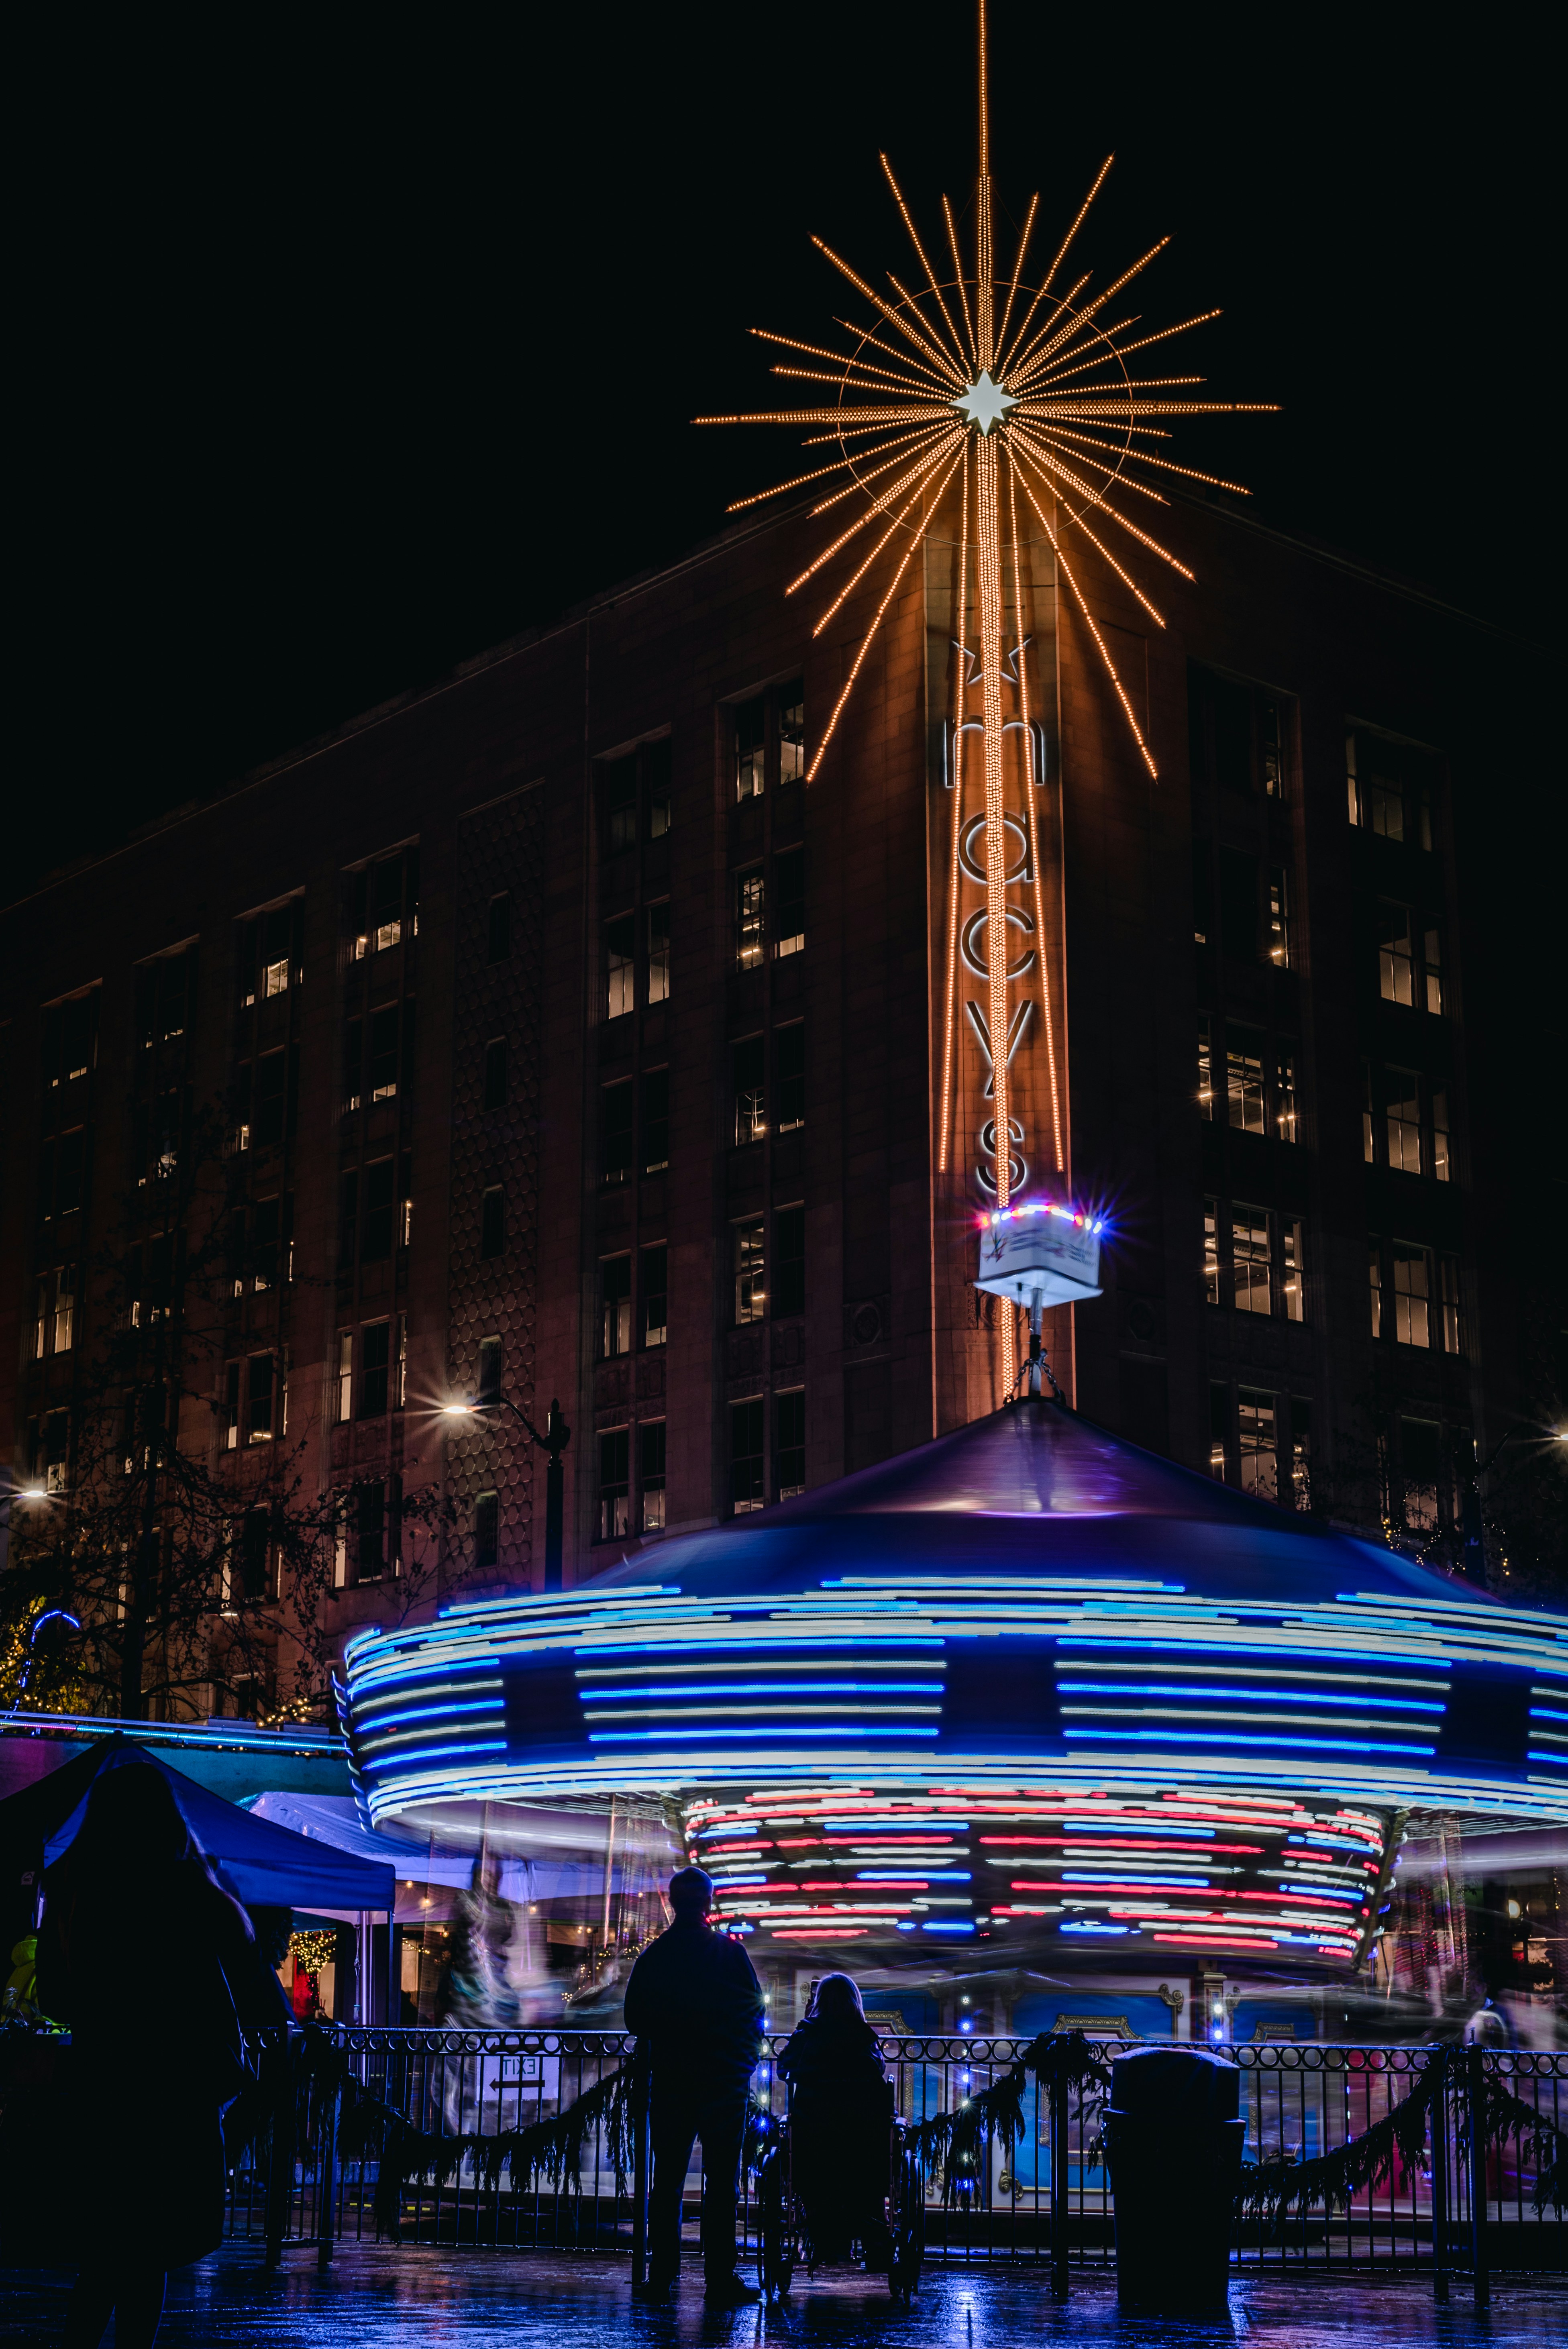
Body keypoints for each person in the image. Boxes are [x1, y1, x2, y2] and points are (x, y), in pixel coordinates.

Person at [33, 1760, 269, 2349]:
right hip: (176, 2088)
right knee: (152, 2246)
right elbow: (240, 1951)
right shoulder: (188, 1886)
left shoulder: (73, 1885)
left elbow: (57, 1993)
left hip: (105, 2080)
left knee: (109, 2245)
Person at [622, 1865, 764, 2306]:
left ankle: (663, 2275)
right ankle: (719, 2277)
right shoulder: (730, 1954)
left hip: (672, 2083)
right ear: (708, 1903)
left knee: (667, 2182)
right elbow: (752, 2012)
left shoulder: (655, 1957)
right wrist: (741, 2064)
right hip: (722, 2084)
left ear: (671, 1901)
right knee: (722, 2184)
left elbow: (634, 2019)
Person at [777, 1973, 895, 2269]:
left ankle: (825, 2239)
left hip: (814, 2141)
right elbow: (876, 2072)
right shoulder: (862, 2035)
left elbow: (784, 2068)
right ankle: (875, 2244)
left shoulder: (808, 2033)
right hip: (861, 2145)